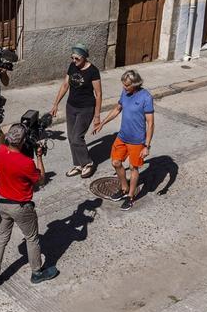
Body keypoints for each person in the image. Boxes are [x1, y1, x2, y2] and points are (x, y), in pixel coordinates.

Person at [0, 124, 60, 291]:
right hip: (21, 207)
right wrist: (39, 157)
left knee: (2, 238)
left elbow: (2, 142)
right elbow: (41, 180)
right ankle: (37, 272)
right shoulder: (26, 163)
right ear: (23, 142)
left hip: (3, 203)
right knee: (32, 238)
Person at [93, 70, 154, 211]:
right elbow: (117, 109)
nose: (124, 87)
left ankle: (130, 197)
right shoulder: (125, 93)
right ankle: (124, 187)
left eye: (127, 85)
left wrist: (146, 146)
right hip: (122, 136)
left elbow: (150, 123)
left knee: (133, 168)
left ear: (135, 83)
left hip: (137, 141)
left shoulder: (146, 97)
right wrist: (102, 123)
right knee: (116, 162)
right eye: (123, 84)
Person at [49, 43, 102, 178]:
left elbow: (98, 94)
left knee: (77, 136)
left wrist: (97, 116)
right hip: (71, 106)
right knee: (71, 137)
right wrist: (55, 104)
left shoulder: (93, 71)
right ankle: (78, 165)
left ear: (84, 57)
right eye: (72, 58)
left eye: (77, 58)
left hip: (86, 108)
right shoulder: (73, 66)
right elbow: (65, 84)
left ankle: (88, 163)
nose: (74, 61)